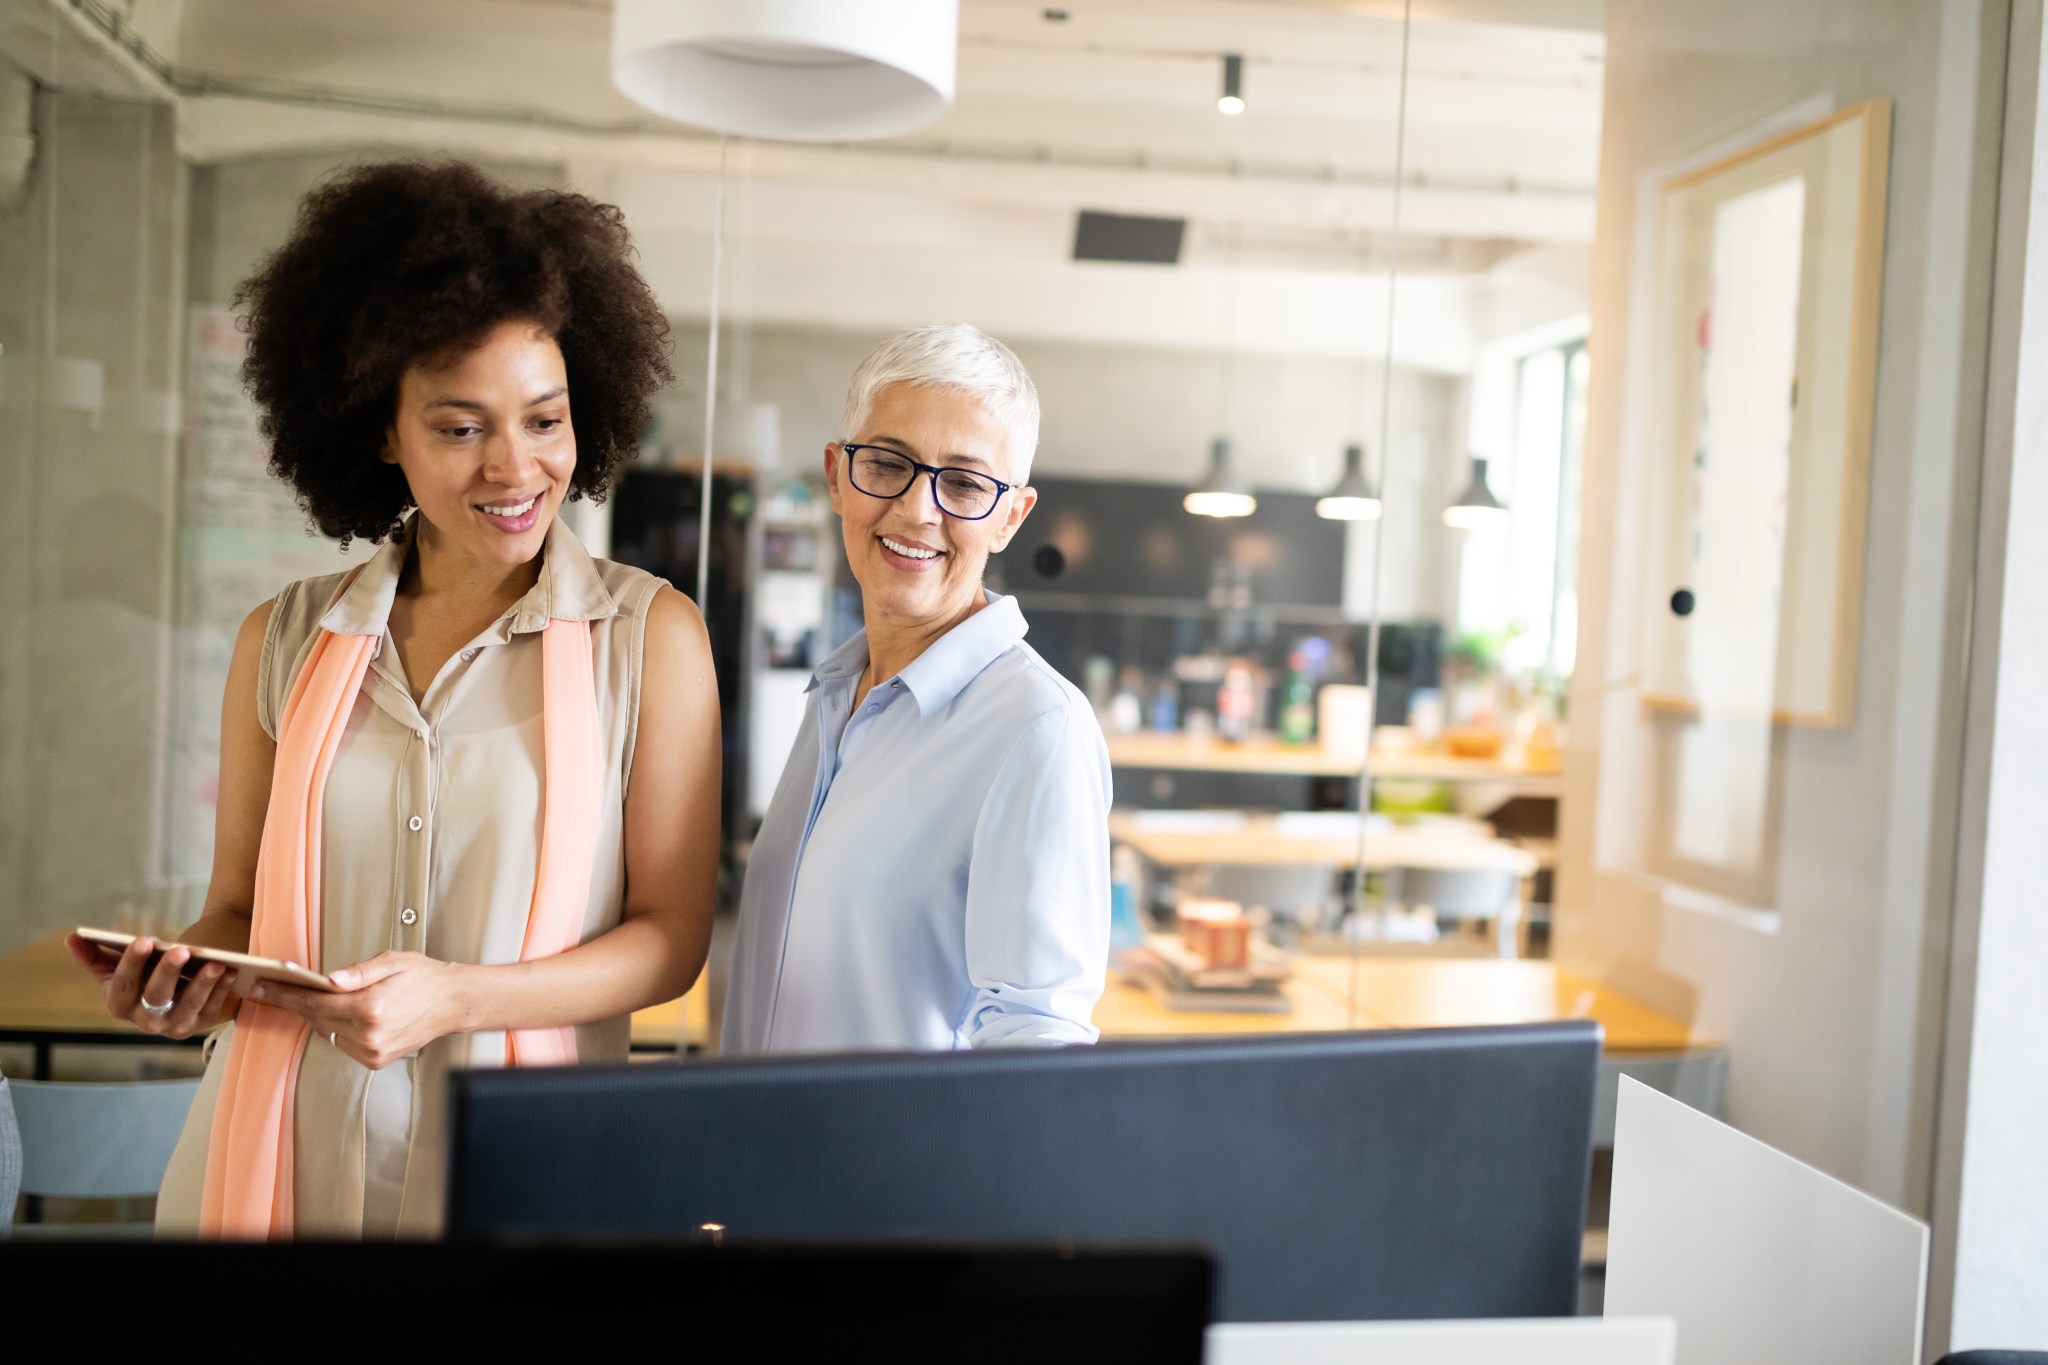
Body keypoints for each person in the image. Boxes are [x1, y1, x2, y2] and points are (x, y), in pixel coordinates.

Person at [66, 161, 721, 1238]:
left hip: (517, 1169)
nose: (515, 469)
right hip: (280, 1157)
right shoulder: (283, 640)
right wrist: (190, 978)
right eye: (461, 428)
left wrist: (460, 998)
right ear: (382, 431)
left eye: (544, 420)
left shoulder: (649, 639)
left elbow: (670, 938)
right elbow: (236, 908)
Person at [723, 324, 1110, 1054]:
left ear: (1010, 517)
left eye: (963, 482)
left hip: (894, 1169)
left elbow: (1037, 1045)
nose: (917, 509)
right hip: (755, 1159)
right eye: (889, 463)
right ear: (838, 476)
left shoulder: (1037, 727)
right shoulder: (838, 692)